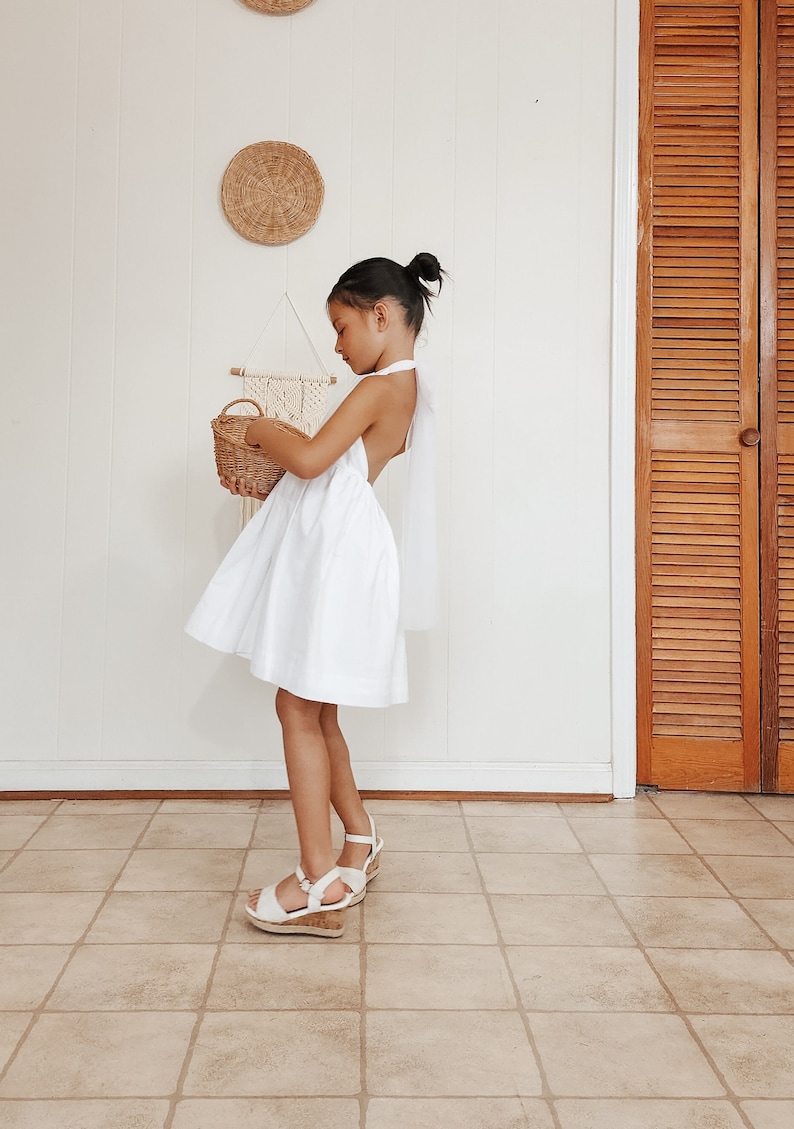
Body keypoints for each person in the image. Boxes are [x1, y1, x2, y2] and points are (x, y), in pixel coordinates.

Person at [186, 253, 444, 937]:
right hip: (342, 549)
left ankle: (317, 875)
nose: (335, 344)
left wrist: (260, 429)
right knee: (316, 705)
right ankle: (356, 837)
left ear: (381, 316)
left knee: (295, 703)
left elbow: (308, 459)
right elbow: (332, 474)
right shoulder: (403, 382)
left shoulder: (382, 385)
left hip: (339, 559)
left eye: (341, 327)